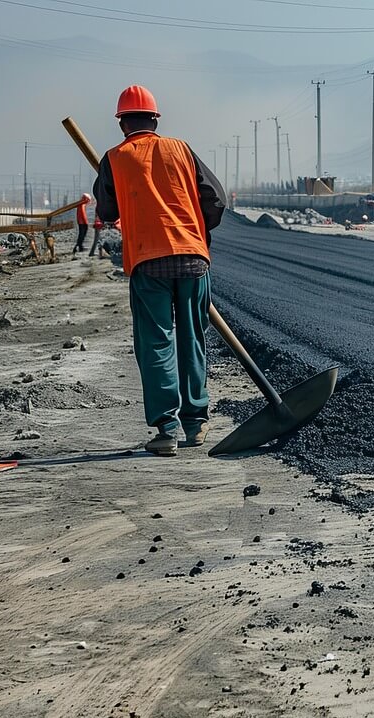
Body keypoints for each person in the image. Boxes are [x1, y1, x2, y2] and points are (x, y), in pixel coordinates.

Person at [93, 85, 226, 455]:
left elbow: (105, 213)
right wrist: (199, 233)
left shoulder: (114, 158)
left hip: (148, 262)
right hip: (193, 260)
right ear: (155, 119)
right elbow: (217, 198)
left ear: (123, 124)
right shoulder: (182, 149)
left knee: (156, 343)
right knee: (193, 339)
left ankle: (167, 429)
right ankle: (196, 423)